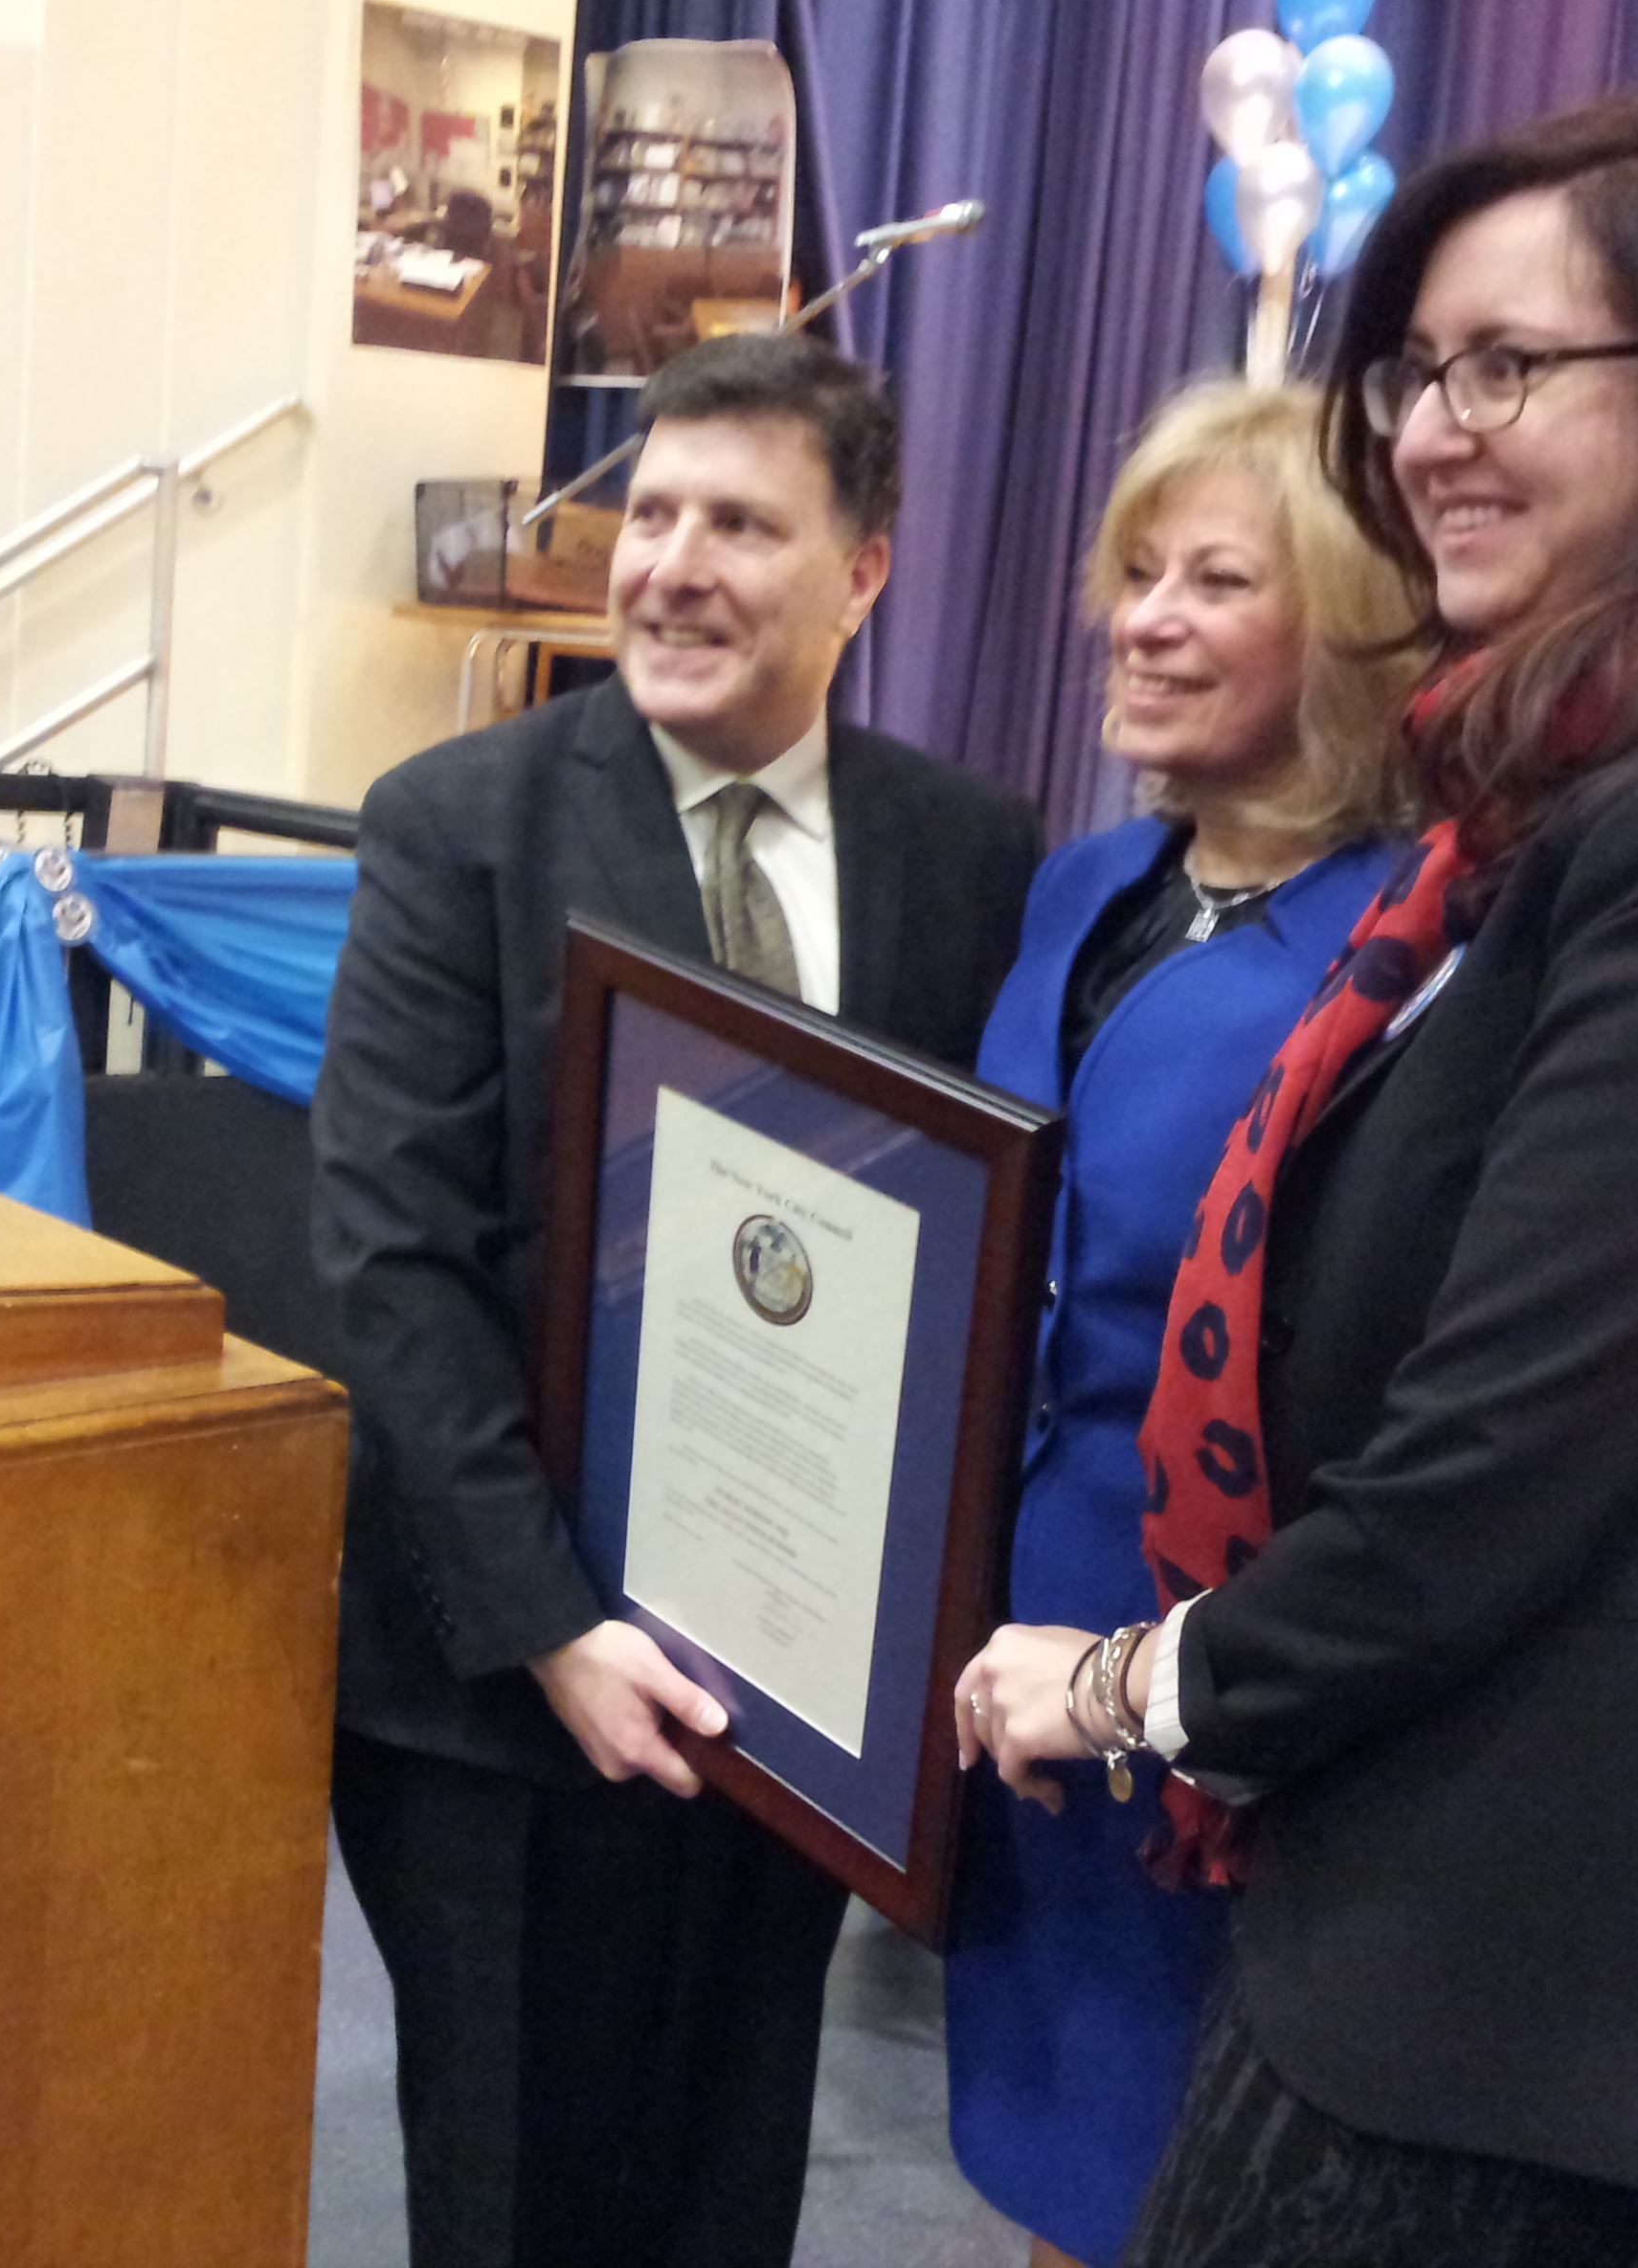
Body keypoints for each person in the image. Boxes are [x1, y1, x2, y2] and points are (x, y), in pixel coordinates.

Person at [969, 94, 1638, 2268]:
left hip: (1511, 1944)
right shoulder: (1562, 804)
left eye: (1511, 367)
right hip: (1417, 1877)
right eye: (1421, 371)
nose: (1437, 429)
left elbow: (1506, 1449)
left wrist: (1124, 1689)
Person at [310, 329, 1043, 2268]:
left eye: (742, 522)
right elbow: (395, 1254)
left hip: (801, 1699)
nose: (672, 567)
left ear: (863, 570)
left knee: (728, 2176)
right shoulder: (457, 824)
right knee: (518, 2197)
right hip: (503, 1693)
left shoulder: (972, 857)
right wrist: (554, 1622)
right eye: (652, 513)